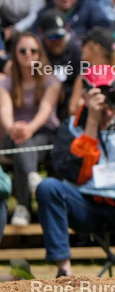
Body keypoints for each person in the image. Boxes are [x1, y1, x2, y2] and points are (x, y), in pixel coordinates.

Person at [36, 64, 115, 277]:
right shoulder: (71, 126)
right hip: (85, 206)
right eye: (98, 93)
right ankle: (64, 271)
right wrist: (92, 123)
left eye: (108, 92)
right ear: (85, 96)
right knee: (48, 187)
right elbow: (75, 175)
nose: (104, 101)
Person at [0, 32, 61, 226]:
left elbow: (46, 110)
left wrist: (29, 128)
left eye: (33, 50)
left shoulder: (51, 81)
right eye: (23, 51)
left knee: (23, 144)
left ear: (40, 53)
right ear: (15, 54)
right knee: (21, 142)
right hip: (15, 134)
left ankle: (23, 207)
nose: (28, 54)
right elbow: (4, 109)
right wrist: (12, 127)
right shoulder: (5, 83)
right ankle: (32, 177)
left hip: (44, 133)